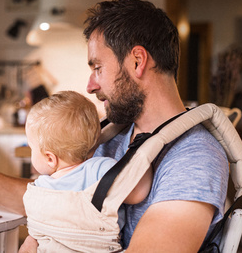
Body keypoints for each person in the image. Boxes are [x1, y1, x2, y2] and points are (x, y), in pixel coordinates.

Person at [0, 0, 229, 252]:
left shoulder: (194, 157)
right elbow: (60, 202)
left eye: (98, 67)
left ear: (137, 61)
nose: (90, 85)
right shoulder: (115, 135)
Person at [20, 90, 152, 252]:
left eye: (32, 148)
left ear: (50, 158)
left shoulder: (41, 186)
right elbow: (138, 193)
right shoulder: (101, 169)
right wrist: (141, 157)